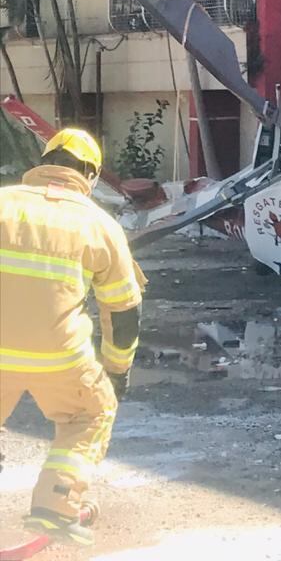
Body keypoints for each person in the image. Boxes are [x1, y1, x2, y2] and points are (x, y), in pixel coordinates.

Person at [0, 129, 144, 546]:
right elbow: (123, 309)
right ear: (91, 176)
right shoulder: (100, 224)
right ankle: (55, 506)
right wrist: (117, 371)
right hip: (58, 356)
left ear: (44, 160)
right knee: (91, 414)